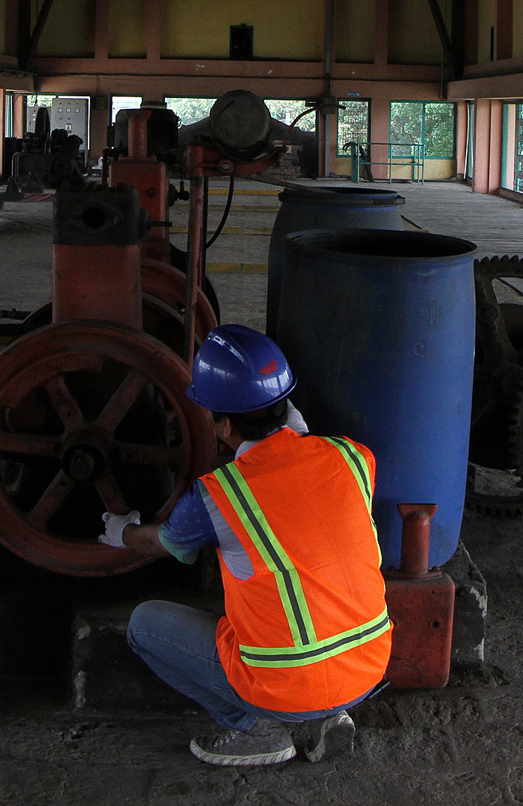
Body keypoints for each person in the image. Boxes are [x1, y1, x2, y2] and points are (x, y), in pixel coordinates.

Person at [99, 324, 390, 768]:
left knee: (145, 625)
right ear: (285, 402)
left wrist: (120, 531)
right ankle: (327, 715)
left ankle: (257, 726)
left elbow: (165, 544)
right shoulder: (354, 457)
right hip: (370, 663)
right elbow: (307, 507)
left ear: (225, 423)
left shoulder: (216, 497)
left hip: (287, 679)